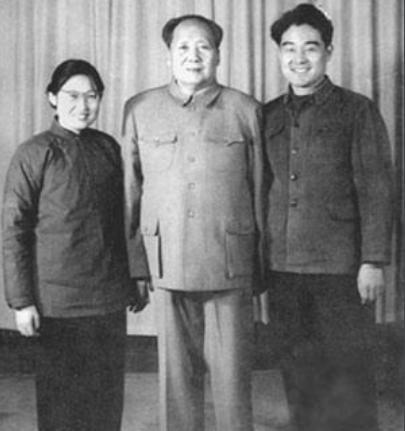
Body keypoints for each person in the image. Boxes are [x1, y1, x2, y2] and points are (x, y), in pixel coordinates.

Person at [122, 14, 265, 431]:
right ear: (168, 56)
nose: (193, 55)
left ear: (218, 55)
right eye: (183, 47)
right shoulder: (140, 109)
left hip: (229, 261)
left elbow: (260, 190)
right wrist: (137, 266)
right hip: (166, 261)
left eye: (203, 46)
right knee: (176, 383)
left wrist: (259, 264)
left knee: (232, 383)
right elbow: (130, 193)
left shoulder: (245, 110)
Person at [263, 4, 394, 431]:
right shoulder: (267, 115)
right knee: (299, 375)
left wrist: (372, 260)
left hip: (341, 269)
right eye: (289, 48)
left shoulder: (357, 110)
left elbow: (376, 188)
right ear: (279, 54)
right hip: (282, 268)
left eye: (310, 47)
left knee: (348, 377)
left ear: (329, 51)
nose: (299, 58)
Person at [2, 59, 146, 431]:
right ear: (52, 97)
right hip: (56, 306)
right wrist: (22, 302)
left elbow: (128, 219)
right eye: (72, 95)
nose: (83, 105)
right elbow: (13, 231)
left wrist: (137, 277)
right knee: (61, 408)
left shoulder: (108, 148)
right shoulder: (34, 153)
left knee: (105, 405)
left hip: (108, 300)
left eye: (92, 96)